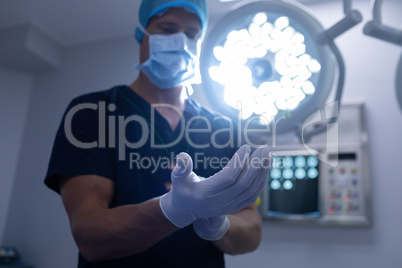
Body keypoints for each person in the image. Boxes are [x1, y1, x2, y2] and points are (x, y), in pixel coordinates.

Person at [44, 0, 270, 267]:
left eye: (191, 34)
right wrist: (171, 210)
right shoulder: (93, 113)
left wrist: (218, 225)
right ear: (142, 33)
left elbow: (252, 230)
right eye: (167, 28)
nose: (180, 41)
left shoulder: (223, 129)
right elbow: (88, 233)